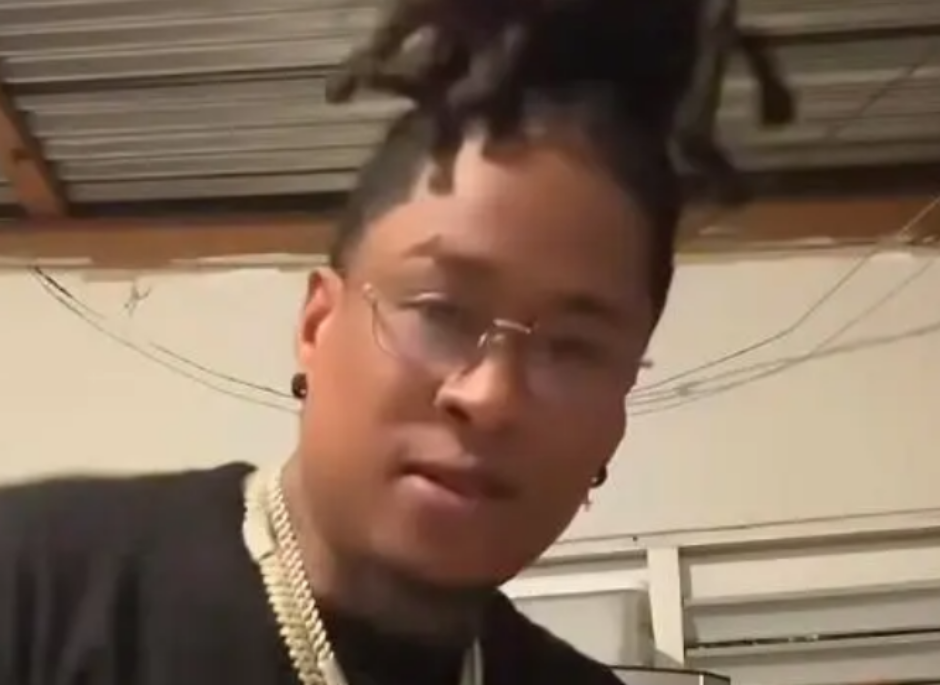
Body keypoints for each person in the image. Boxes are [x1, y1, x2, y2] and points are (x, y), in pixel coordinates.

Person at [0, 0, 687, 682]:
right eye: (441, 311)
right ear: (316, 325)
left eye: (572, 348)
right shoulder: (35, 589)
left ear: (617, 418)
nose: (491, 396)